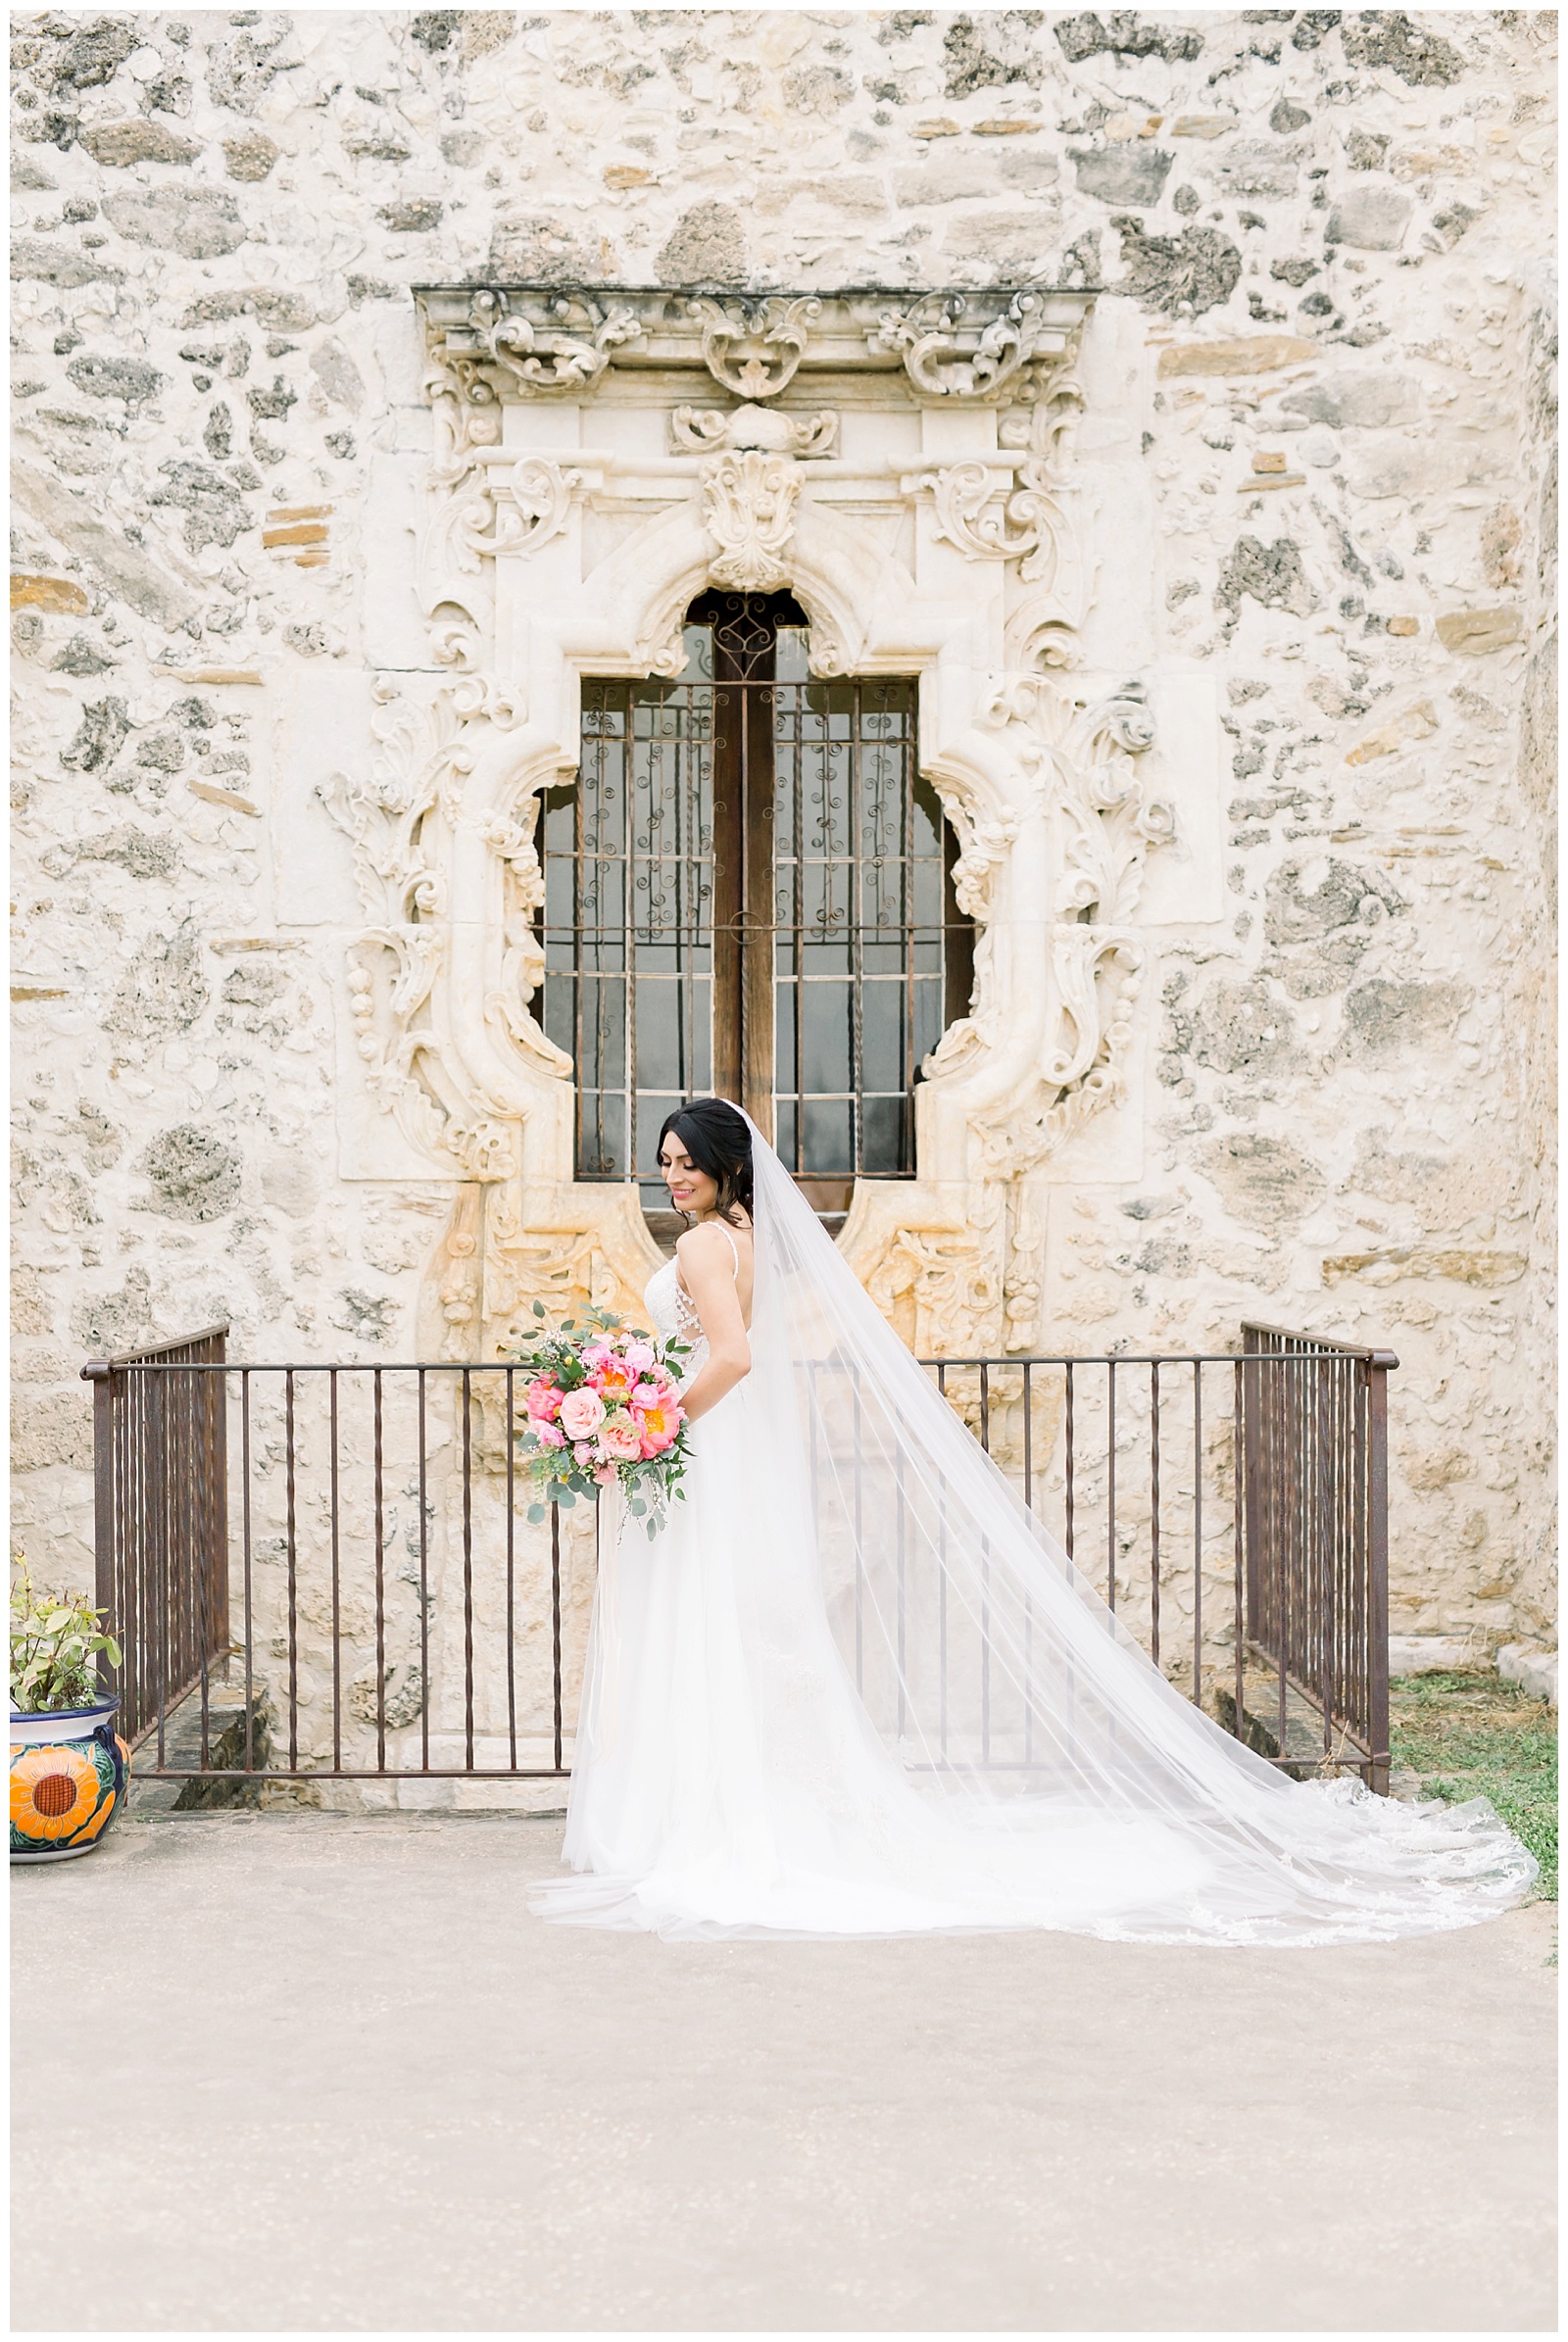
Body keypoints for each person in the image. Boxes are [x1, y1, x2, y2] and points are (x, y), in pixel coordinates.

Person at [535, 1099, 1535, 1943]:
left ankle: (713, 1815)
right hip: (722, 1462)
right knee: (740, 1635)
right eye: (664, 1163)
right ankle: (747, 1801)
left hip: (699, 1452)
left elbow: (731, 1357)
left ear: (722, 1169)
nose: (672, 1177)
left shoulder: (708, 1243)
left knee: (709, 1632)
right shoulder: (750, 1239)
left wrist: (648, 1425)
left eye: (686, 1164)